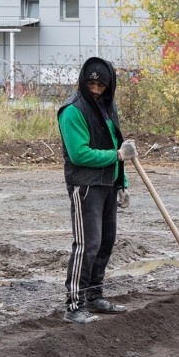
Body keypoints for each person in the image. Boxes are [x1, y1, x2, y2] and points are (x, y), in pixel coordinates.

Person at [57, 57, 132, 324]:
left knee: (105, 242)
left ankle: (94, 296)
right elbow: (79, 154)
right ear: (83, 81)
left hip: (108, 185)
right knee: (87, 246)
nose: (96, 90)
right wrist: (118, 157)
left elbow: (115, 144)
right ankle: (74, 305)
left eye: (101, 85)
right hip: (86, 186)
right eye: (91, 84)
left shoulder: (107, 106)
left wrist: (121, 182)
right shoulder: (72, 110)